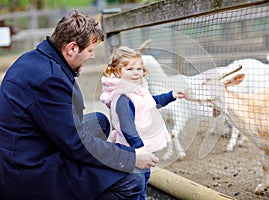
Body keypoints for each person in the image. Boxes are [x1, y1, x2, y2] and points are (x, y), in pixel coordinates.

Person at [0, 10, 159, 200]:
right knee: (133, 178)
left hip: (29, 149)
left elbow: (70, 133)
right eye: (90, 50)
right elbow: (76, 143)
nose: (92, 56)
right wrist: (131, 156)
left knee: (99, 121)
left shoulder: (33, 59)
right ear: (72, 48)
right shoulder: (49, 79)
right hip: (30, 171)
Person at [100, 46, 185, 200]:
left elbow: (152, 102)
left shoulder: (138, 91)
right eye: (130, 69)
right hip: (133, 150)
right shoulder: (123, 97)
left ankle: (142, 197)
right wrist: (139, 148)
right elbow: (127, 127)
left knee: (144, 178)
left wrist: (171, 95)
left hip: (142, 149)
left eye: (139, 68)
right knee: (136, 181)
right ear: (118, 72)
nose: (136, 72)